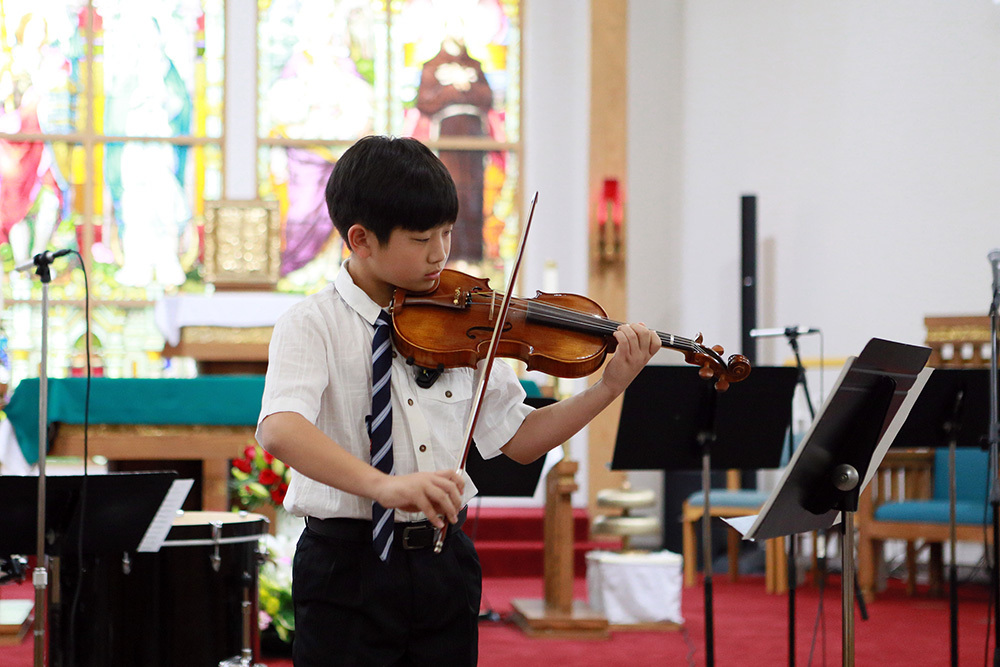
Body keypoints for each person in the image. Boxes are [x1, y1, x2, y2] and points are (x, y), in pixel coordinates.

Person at [256, 135, 661, 666]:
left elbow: (520, 439)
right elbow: (280, 427)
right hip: (346, 568)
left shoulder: (463, 318)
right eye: (421, 238)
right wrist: (385, 486)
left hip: (443, 565)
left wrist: (607, 388)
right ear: (361, 239)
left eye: (446, 232)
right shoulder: (312, 324)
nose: (440, 253)